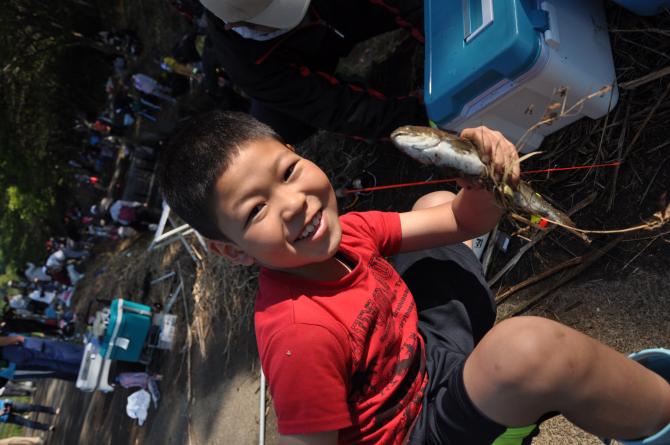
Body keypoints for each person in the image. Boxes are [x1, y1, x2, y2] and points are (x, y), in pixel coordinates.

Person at [158, 111, 670, 445]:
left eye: (288, 172)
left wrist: (483, 181)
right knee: (529, 347)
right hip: (416, 432)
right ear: (231, 250)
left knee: (431, 205)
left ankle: (500, 387)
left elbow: (464, 222)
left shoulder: (350, 231)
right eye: (255, 211)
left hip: (425, 360)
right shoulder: (298, 336)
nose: (293, 204)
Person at [200, 0, 427, 143]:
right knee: (276, 129)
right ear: (234, 23)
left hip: (350, 14)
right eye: (276, 12)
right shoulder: (245, 63)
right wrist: (419, 118)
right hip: (306, 63)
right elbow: (336, 109)